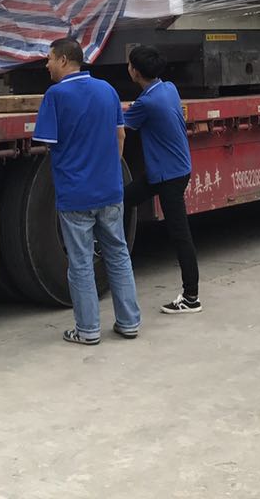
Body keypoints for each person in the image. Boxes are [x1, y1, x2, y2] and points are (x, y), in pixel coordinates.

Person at [33, 37, 141, 345]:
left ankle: (88, 330)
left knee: (81, 262)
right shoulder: (107, 90)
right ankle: (129, 322)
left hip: (76, 193)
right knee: (118, 254)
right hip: (109, 189)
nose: (47, 65)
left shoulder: (56, 95)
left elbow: (47, 143)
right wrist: (108, 169)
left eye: (49, 59)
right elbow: (120, 135)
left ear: (63, 60)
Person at [123, 45, 200, 314]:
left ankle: (191, 297)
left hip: (169, 176)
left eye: (130, 64)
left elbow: (120, 123)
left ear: (135, 71)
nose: (128, 68)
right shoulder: (168, 88)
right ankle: (112, 249)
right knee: (124, 198)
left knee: (180, 235)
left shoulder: (146, 104)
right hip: (169, 171)